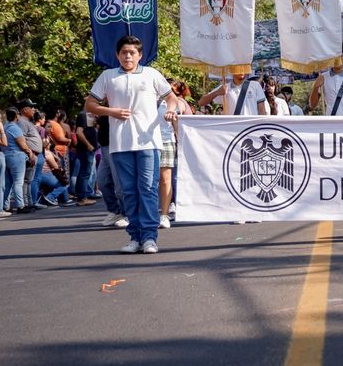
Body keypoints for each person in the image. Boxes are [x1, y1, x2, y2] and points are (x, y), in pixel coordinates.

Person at [85, 35, 179, 254]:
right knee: (128, 191)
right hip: (120, 143)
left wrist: (171, 110)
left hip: (148, 142)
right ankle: (134, 237)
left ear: (140, 55)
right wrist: (111, 111)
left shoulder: (151, 74)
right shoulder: (108, 76)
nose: (128, 56)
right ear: (117, 55)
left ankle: (149, 238)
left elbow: (171, 98)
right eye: (124, 52)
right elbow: (90, 104)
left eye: (132, 53)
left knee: (147, 189)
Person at [2, 107, 35, 214]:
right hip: (16, 156)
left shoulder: (5, 126)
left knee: (8, 183)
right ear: (16, 116)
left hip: (7, 155)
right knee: (18, 182)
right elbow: (22, 144)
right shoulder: (14, 128)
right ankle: (20, 206)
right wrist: (29, 152)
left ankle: (5, 205)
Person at [197, 72, 267, 116]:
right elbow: (201, 102)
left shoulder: (255, 85)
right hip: (233, 131)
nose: (241, 70)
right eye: (238, 67)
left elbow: (262, 110)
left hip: (250, 128)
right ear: (232, 70)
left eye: (244, 67)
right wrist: (217, 92)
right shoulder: (225, 87)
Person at [16, 99, 43, 208]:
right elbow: (21, 139)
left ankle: (29, 202)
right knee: (25, 180)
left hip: (33, 154)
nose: (34, 109)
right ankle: (26, 203)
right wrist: (30, 153)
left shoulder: (27, 121)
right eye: (31, 107)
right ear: (25, 109)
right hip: (29, 155)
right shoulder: (22, 122)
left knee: (29, 180)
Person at [74, 109, 98, 206]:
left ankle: (82, 196)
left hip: (88, 149)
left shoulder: (88, 116)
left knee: (85, 172)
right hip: (86, 149)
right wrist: (88, 145)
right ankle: (82, 197)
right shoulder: (83, 115)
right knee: (85, 173)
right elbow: (79, 132)